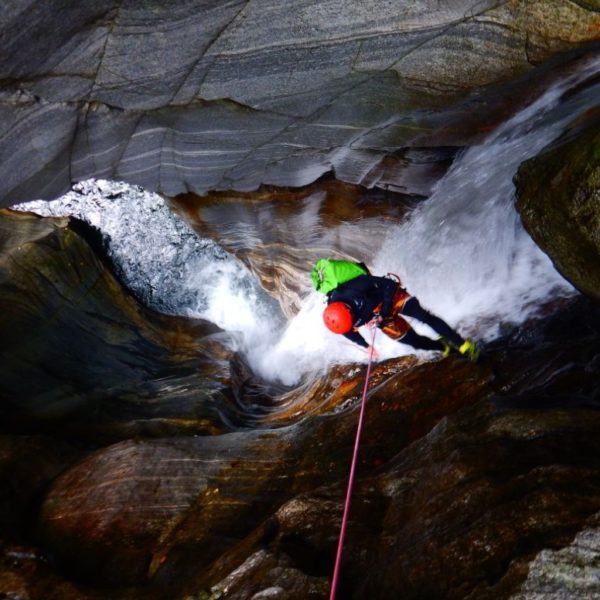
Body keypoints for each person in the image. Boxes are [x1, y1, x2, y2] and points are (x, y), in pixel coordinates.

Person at [322, 270, 480, 361]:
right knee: (414, 342)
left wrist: (384, 312)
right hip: (379, 316)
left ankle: (463, 345)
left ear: (347, 308)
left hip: (391, 297)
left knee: (424, 317)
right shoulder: (340, 321)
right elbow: (348, 332)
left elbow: (389, 283)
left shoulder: (355, 286)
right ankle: (444, 347)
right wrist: (367, 346)